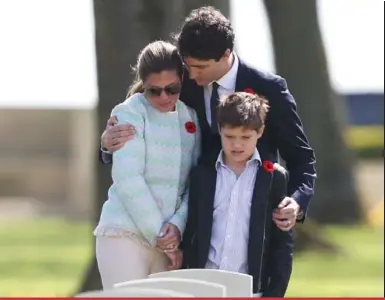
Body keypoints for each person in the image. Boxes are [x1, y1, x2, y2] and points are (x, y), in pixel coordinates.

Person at [100, 6, 317, 234]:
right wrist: (107, 146)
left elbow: (301, 156)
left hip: (251, 220)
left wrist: (297, 203)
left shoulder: (269, 88)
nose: (191, 75)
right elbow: (140, 119)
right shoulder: (174, 84)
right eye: (188, 65)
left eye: (201, 67)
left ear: (225, 54)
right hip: (189, 220)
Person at [94, 40, 201, 289]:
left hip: (170, 241)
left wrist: (176, 227)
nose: (164, 96)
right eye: (154, 91)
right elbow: (128, 178)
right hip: (125, 235)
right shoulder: (130, 112)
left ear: (182, 80)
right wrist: (161, 235)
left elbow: (195, 180)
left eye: (172, 89)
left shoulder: (191, 117)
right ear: (144, 85)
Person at [182, 91, 293, 297]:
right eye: (230, 136)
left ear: (260, 132)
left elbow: (281, 243)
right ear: (220, 130)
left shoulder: (273, 178)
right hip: (203, 286)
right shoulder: (202, 174)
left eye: (245, 137)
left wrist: (274, 293)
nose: (237, 144)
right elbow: (192, 230)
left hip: (250, 290)